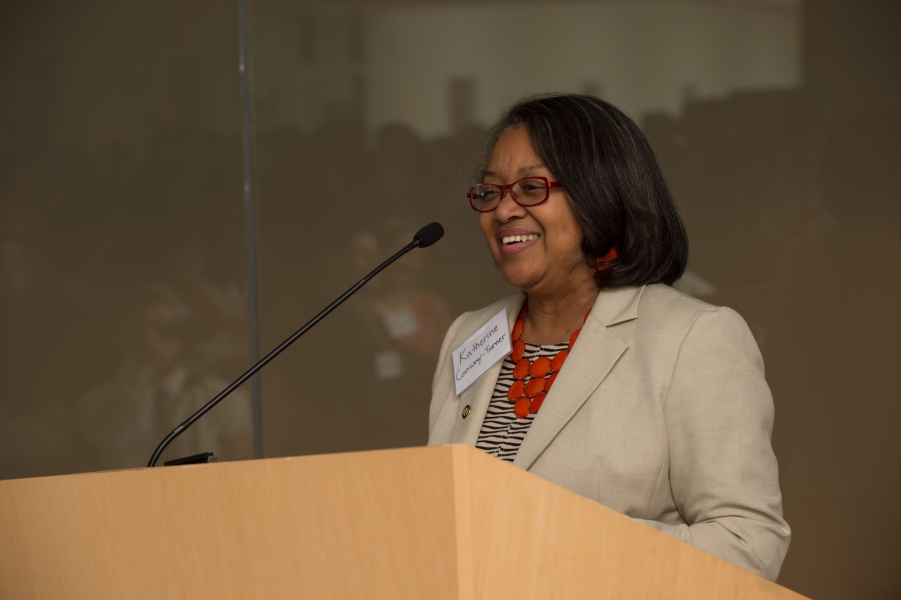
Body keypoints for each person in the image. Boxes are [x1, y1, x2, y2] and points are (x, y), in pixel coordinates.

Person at [427, 94, 790, 581]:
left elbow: (749, 544)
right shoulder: (467, 334)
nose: (504, 210)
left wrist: (567, 542)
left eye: (531, 187)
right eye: (491, 192)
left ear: (599, 194)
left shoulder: (692, 339)